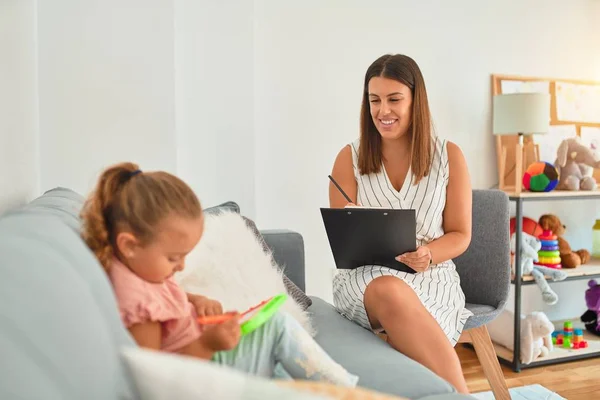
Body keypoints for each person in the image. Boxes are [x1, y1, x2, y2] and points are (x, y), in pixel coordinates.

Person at [80, 162, 358, 387]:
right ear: (129, 245)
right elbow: (155, 376)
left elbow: (166, 300)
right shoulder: (135, 300)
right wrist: (207, 342)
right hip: (203, 373)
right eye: (173, 258)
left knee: (282, 368)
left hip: (207, 359)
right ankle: (347, 390)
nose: (180, 267)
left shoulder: (141, 272)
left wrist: (194, 300)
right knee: (278, 327)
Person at [328, 54, 471, 394]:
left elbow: (461, 234)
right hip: (365, 279)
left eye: (394, 99)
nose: (383, 111)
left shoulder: (448, 155)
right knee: (390, 290)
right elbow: (343, 242)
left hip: (431, 276)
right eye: (374, 100)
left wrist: (429, 254)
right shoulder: (349, 157)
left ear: (415, 100)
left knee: (403, 329)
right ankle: (463, 395)